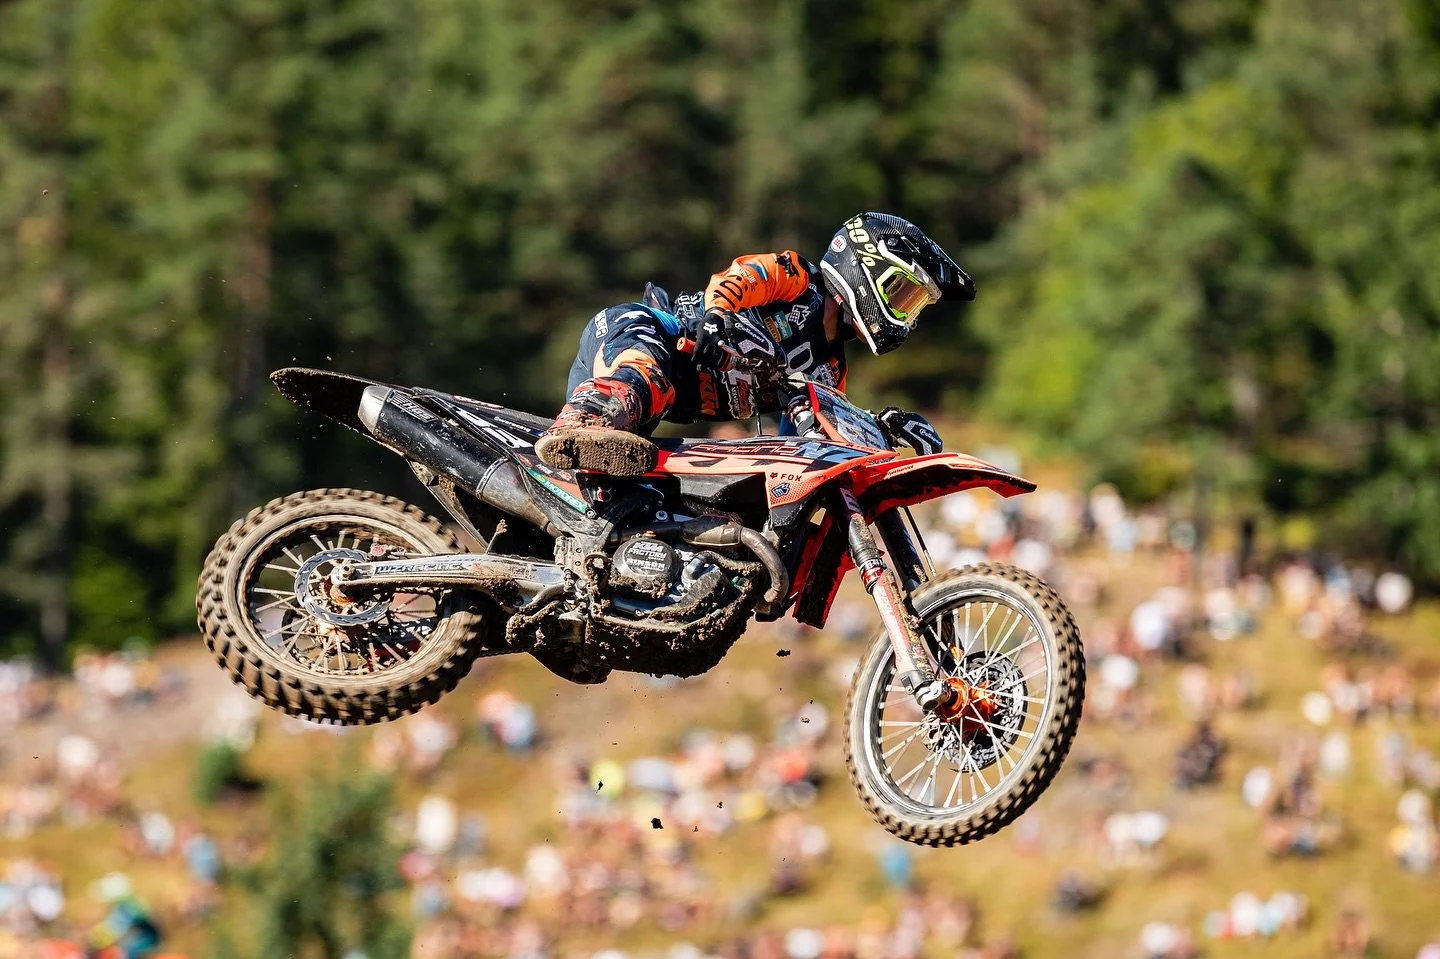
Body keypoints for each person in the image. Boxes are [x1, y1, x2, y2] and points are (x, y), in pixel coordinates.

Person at [535, 212, 974, 475]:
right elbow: (743, 276)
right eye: (902, 295)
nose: (906, 318)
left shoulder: (831, 371)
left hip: (665, 409)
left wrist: (883, 428)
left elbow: (811, 445)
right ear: (867, 269)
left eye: (914, 307)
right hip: (641, 333)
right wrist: (719, 315)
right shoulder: (799, 280)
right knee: (647, 375)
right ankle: (578, 425)